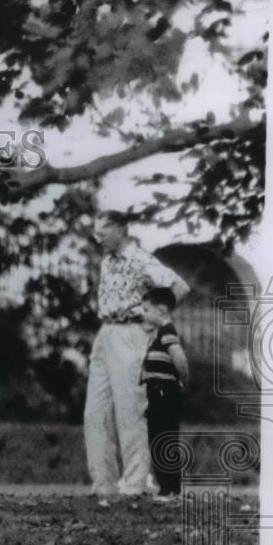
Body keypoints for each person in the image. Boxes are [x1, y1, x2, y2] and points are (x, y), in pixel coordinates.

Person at [85, 212, 190, 504]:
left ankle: (135, 484)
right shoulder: (107, 262)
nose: (98, 237)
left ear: (120, 229)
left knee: (131, 411)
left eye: (103, 230)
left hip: (131, 334)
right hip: (105, 333)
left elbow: (179, 287)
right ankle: (103, 483)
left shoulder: (141, 259)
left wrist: (152, 321)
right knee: (95, 412)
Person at [140, 287, 190, 502]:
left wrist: (183, 382)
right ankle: (168, 487)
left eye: (146, 309)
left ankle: (170, 489)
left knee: (162, 438)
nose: (143, 314)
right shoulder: (158, 335)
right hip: (156, 392)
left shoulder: (167, 331)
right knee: (158, 439)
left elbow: (180, 360)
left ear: (160, 310)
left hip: (164, 393)